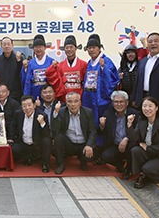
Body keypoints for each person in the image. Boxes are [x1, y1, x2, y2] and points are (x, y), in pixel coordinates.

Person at [81, 33, 119, 165]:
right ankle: (93, 151)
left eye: (94, 47)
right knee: (91, 125)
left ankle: (102, 154)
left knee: (102, 126)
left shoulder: (105, 61)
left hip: (101, 102)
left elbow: (113, 80)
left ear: (99, 48)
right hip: (89, 100)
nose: (91, 50)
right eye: (89, 48)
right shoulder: (89, 63)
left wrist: (103, 68)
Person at [51, 92, 97, 174]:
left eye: (76, 101)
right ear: (66, 103)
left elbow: (92, 131)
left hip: (83, 144)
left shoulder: (88, 112)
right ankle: (61, 163)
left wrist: (89, 145)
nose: (73, 104)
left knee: (91, 156)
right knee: (59, 137)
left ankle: (83, 160)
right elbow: (55, 128)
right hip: (70, 144)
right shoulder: (62, 112)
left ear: (80, 102)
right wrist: (55, 113)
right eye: (70, 101)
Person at [98, 91, 137, 178]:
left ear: (127, 103)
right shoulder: (108, 113)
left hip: (130, 145)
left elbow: (137, 133)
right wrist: (102, 126)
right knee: (105, 156)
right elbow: (101, 133)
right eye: (116, 102)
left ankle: (128, 168)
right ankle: (119, 165)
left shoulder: (134, 114)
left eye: (121, 102)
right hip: (114, 145)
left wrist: (126, 138)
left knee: (133, 149)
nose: (119, 104)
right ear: (112, 103)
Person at [7, 95, 50, 168]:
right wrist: (11, 138)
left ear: (34, 105)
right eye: (24, 106)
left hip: (37, 144)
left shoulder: (42, 115)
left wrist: (42, 123)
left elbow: (47, 133)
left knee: (47, 141)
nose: (27, 108)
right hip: (24, 142)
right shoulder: (18, 113)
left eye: (29, 105)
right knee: (13, 149)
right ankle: (28, 158)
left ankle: (45, 164)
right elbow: (12, 125)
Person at [46, 35, 87, 102]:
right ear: (64, 49)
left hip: (80, 96)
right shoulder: (59, 65)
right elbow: (52, 78)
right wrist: (52, 67)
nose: (69, 49)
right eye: (67, 47)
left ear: (76, 48)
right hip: (64, 97)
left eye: (71, 47)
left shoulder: (84, 64)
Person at [21, 34, 54, 101]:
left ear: (45, 48)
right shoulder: (30, 63)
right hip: (34, 93)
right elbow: (27, 81)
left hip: (48, 95)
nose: (38, 49)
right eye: (36, 47)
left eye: (40, 47)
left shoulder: (51, 62)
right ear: (33, 49)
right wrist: (26, 97)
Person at [0, 37, 23, 103]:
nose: (6, 46)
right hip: (1, 95)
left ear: (12, 46)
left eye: (8, 44)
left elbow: (22, 75)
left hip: (16, 95)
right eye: (4, 44)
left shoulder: (18, 59)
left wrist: (19, 62)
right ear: (1, 46)